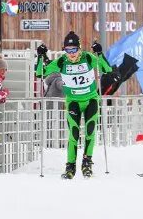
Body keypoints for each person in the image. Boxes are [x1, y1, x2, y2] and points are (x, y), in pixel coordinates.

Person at [35, 32, 115, 179]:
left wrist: (99, 53)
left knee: (90, 131)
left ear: (79, 48)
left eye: (73, 50)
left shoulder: (88, 58)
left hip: (90, 100)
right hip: (73, 102)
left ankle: (87, 163)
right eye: (67, 50)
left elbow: (107, 69)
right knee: (74, 134)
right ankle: (70, 166)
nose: (71, 54)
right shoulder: (62, 61)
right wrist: (40, 56)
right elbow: (40, 73)